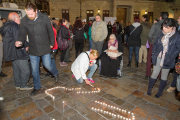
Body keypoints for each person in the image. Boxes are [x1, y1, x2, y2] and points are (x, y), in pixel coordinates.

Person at [15, 2, 59, 96]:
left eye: (31, 14)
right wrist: (19, 41)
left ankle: (55, 73)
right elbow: (22, 34)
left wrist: (52, 44)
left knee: (47, 65)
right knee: (34, 70)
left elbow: (50, 32)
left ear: (36, 11)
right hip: (33, 48)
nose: (29, 16)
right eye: (28, 14)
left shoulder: (44, 18)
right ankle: (37, 87)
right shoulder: (24, 20)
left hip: (44, 46)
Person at [147, 18, 180, 98]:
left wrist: (171, 57)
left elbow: (178, 48)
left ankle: (160, 92)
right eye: (163, 26)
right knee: (155, 73)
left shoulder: (177, 36)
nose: (164, 28)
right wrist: (154, 53)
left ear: (172, 27)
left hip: (168, 59)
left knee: (164, 76)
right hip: (158, 57)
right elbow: (155, 44)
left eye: (166, 27)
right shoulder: (160, 33)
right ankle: (149, 89)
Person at [0, 12, 32, 90]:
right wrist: (26, 45)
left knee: (16, 69)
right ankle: (23, 85)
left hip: (11, 52)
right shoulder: (15, 26)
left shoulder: (6, 26)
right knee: (25, 70)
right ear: (15, 19)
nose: (20, 19)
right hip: (18, 52)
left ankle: (18, 83)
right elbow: (19, 39)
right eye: (18, 17)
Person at [146, 12, 169, 79]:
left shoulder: (156, 24)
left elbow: (150, 35)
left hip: (154, 43)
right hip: (164, 44)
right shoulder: (169, 26)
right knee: (161, 59)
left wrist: (150, 42)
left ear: (160, 17)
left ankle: (148, 74)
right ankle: (159, 76)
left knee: (150, 59)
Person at [166, 16, 180, 92]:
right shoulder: (178, 28)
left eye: (179, 18)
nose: (178, 20)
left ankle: (173, 85)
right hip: (176, 53)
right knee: (177, 70)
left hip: (177, 53)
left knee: (178, 70)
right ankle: (174, 85)